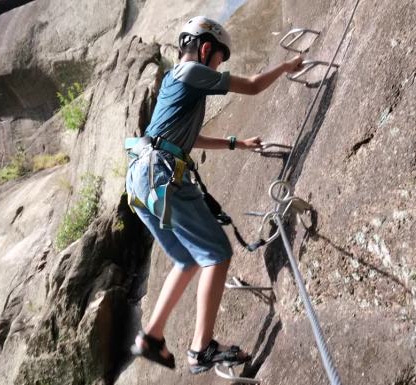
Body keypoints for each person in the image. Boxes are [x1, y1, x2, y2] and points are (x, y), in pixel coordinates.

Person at [127, 15, 303, 374]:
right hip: (160, 175)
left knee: (188, 260)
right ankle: (201, 348)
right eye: (220, 60)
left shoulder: (174, 82)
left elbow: (189, 139)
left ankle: (152, 335)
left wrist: (237, 143)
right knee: (216, 254)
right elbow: (252, 86)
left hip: (141, 178)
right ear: (206, 49)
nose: (219, 67)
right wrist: (286, 65)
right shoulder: (193, 73)